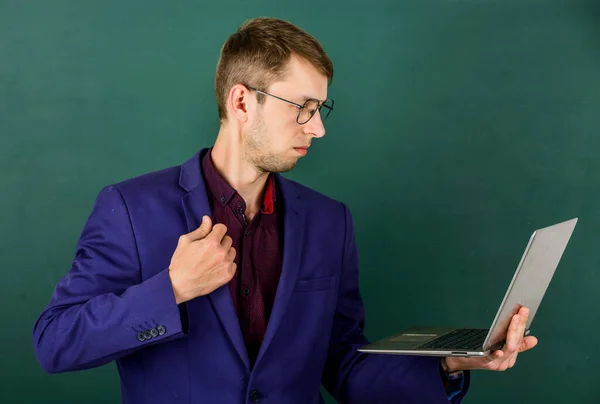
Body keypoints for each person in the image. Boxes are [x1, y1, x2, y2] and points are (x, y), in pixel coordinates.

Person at [32, 17, 538, 403]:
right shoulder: (129, 208)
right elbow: (55, 342)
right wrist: (171, 289)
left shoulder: (329, 222)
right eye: (303, 107)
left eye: (321, 110)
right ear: (241, 102)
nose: (317, 129)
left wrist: (449, 363)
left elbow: (342, 365)